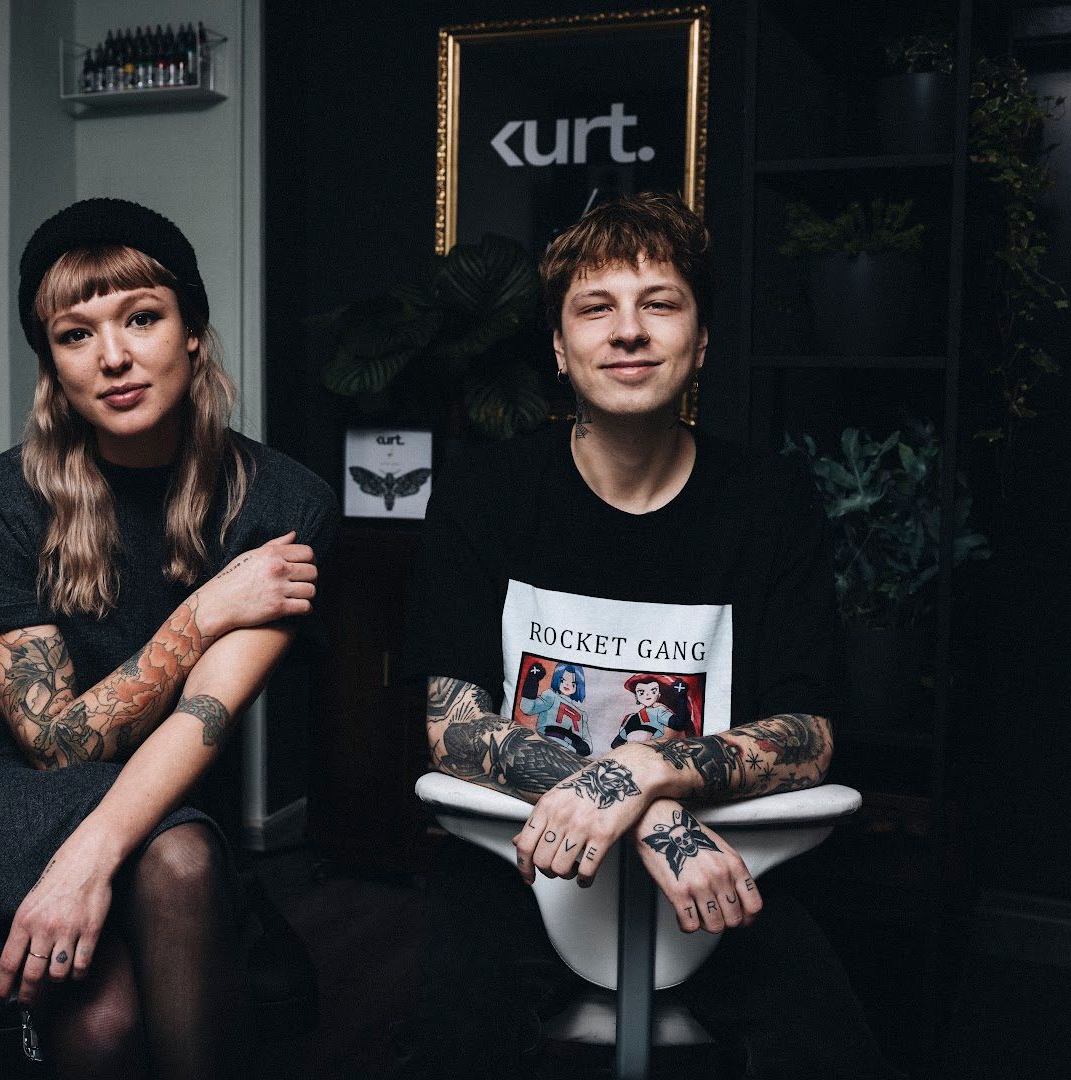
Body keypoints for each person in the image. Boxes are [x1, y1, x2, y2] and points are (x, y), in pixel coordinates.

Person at [401, 192, 896, 1078]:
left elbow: (811, 732)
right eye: (595, 307)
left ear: (700, 341)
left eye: (659, 303)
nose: (627, 331)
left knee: (834, 1049)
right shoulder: (485, 493)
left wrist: (646, 769)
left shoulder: (770, 502)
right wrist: (646, 805)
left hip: (728, 862)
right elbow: (452, 723)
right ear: (557, 347)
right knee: (442, 1042)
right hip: (512, 858)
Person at [0, 197, 338, 1080]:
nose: (113, 356)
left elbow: (203, 716)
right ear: (52, 366)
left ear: (192, 330)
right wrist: (202, 611)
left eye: (142, 318)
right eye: (76, 336)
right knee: (108, 1017)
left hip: (171, 796)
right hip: (11, 793)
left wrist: (91, 861)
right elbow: (55, 744)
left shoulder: (279, 502)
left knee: (178, 857)